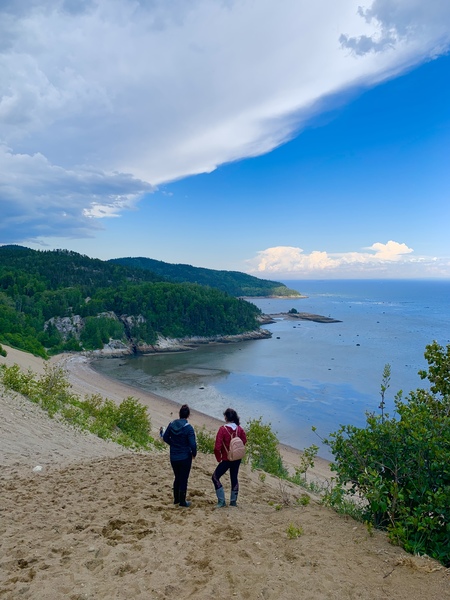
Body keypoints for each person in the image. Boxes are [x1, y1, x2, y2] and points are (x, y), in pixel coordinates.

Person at [212, 408, 247, 508]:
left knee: (215, 477)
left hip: (226, 458)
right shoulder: (239, 429)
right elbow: (244, 440)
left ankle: (221, 501)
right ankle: (233, 501)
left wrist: (219, 458)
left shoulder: (223, 429)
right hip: (237, 458)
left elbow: (217, 447)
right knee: (234, 478)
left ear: (226, 417)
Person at [163, 404, 197, 507]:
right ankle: (182, 501)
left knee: (177, 477)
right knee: (184, 478)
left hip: (174, 456)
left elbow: (165, 437)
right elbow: (193, 444)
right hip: (185, 456)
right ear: (188, 415)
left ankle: (176, 499)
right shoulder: (188, 428)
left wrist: (173, 444)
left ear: (179, 414)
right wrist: (194, 453)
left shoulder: (172, 424)